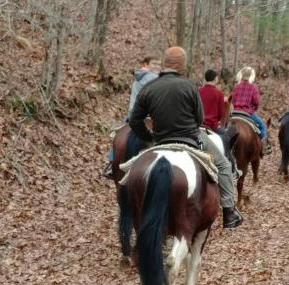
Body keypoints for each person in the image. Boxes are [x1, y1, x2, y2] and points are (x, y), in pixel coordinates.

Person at [129, 46, 243, 229]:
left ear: (164, 64)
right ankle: (229, 211)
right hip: (190, 137)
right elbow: (199, 119)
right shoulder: (190, 86)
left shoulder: (149, 88)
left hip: (160, 139)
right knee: (223, 164)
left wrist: (149, 138)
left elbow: (134, 120)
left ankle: (129, 209)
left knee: (132, 170)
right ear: (182, 65)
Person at [102, 56, 161, 179]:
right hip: (149, 114)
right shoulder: (154, 78)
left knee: (120, 133)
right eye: (154, 63)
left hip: (133, 113)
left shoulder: (138, 77)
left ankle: (112, 163)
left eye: (159, 64)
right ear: (146, 64)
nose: (158, 66)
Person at [231, 66, 271, 155]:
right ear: (251, 76)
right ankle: (263, 147)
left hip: (235, 113)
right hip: (248, 113)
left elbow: (233, 100)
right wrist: (253, 108)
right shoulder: (253, 87)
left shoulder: (236, 86)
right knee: (263, 125)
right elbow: (257, 101)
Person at [199, 69, 226, 134]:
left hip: (199, 125)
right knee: (225, 135)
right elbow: (220, 113)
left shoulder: (198, 91)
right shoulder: (219, 94)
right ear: (215, 78)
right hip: (212, 126)